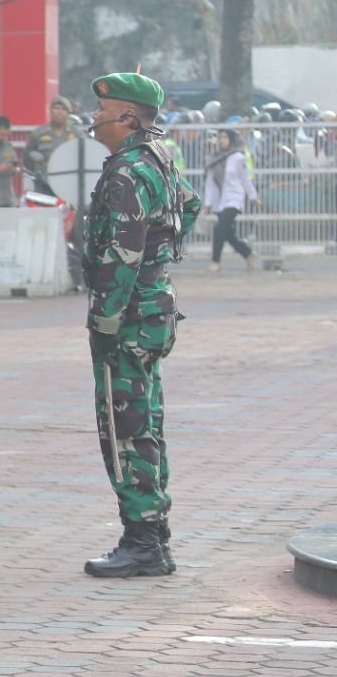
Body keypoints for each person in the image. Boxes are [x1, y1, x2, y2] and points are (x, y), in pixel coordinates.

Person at [80, 72, 200, 579]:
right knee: (145, 423)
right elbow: (189, 206)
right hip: (155, 306)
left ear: (127, 117)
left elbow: (122, 252)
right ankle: (155, 536)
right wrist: (160, 255)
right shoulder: (160, 157)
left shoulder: (129, 168)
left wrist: (104, 316)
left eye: (102, 110)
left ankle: (143, 543)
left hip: (127, 314)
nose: (94, 118)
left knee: (124, 426)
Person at [202, 128, 257, 272]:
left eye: (225, 137)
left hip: (234, 198)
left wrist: (253, 197)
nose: (221, 140)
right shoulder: (216, 157)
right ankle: (248, 253)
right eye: (220, 138)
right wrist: (207, 203)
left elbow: (246, 179)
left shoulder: (239, 157)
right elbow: (210, 183)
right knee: (227, 233)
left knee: (220, 229)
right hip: (220, 201)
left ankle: (216, 262)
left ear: (232, 140)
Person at [26, 96, 77, 173]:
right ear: (51, 111)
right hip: (44, 181)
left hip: (69, 180)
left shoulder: (77, 134)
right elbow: (27, 158)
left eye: (63, 109)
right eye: (57, 108)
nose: (59, 112)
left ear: (68, 112)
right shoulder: (38, 134)